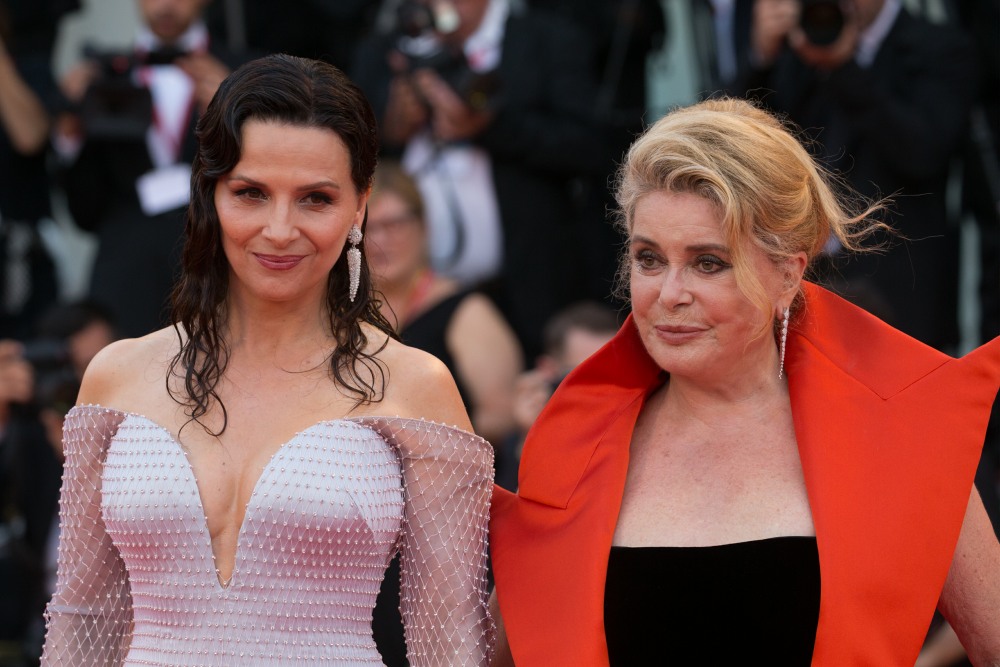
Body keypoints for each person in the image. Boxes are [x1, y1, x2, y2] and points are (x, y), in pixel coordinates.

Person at [488, 97, 1000, 666]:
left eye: (709, 262)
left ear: (787, 273)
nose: (669, 293)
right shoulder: (572, 447)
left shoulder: (903, 430)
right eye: (649, 259)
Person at [40, 54, 495, 665]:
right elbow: (82, 618)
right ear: (211, 193)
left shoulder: (415, 385)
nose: (280, 230)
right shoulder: (117, 374)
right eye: (251, 193)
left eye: (315, 199)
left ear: (359, 206)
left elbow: (452, 643)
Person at [352, 0, 609, 358]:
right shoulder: (386, 50)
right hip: (413, 301)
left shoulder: (546, 38)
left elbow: (590, 147)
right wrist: (392, 129)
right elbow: (353, 157)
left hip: (530, 287)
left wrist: (489, 126)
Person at [727, 0, 977, 352]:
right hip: (802, 292)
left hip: (902, 302)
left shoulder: (939, 47)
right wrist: (759, 60)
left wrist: (844, 67)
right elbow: (735, 150)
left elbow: (922, 154)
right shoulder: (796, 46)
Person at [365, 159, 520, 665]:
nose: (381, 239)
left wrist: (422, 441)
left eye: (394, 223)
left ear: (424, 225)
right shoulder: (337, 317)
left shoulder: (465, 310)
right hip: (362, 520)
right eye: (368, 228)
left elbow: (504, 414)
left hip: (444, 516)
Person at [55, 0, 242, 338]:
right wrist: (71, 129)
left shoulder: (246, 73)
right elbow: (84, 211)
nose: (167, 5)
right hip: (125, 278)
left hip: (215, 266)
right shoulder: (103, 74)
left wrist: (237, 110)